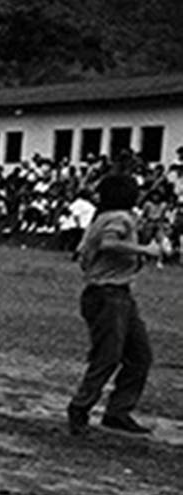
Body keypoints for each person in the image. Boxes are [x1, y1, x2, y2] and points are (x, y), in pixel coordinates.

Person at [63, 174, 161, 436]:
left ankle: (118, 412)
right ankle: (80, 408)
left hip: (115, 294)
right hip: (108, 295)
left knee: (139, 356)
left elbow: (84, 253)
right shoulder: (118, 218)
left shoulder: (102, 217)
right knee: (109, 356)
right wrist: (145, 250)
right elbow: (109, 243)